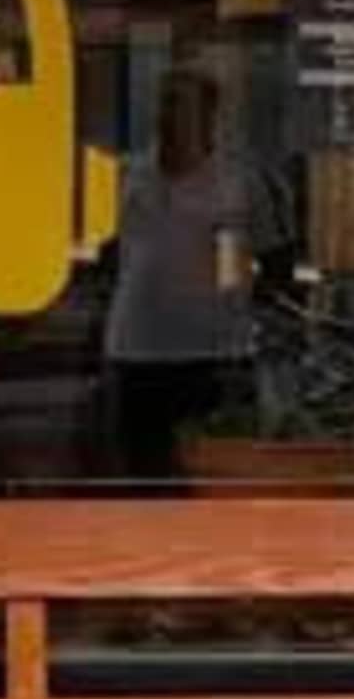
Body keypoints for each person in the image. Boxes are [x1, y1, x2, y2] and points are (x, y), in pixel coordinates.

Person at [100, 67, 265, 480]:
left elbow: (259, 263)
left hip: (216, 352)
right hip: (139, 350)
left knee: (216, 476)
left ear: (211, 114)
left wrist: (232, 301)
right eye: (167, 105)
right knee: (142, 478)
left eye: (185, 105)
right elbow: (108, 252)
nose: (174, 117)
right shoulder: (128, 176)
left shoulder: (236, 182)